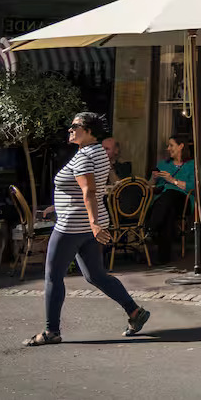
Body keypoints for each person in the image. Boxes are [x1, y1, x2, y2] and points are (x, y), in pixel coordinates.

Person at [23, 111, 150, 346]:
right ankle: (135, 312)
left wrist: (93, 224)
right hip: (90, 223)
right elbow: (88, 188)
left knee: (53, 276)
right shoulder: (98, 152)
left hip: (73, 225)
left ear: (89, 131)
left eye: (75, 126)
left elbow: (89, 191)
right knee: (96, 275)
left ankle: (52, 331)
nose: (70, 129)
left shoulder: (84, 157)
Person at [144, 135, 195, 264]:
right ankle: (163, 258)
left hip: (183, 201)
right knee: (168, 212)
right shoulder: (162, 164)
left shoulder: (192, 165)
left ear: (181, 146)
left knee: (170, 195)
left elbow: (193, 187)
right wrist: (154, 179)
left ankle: (150, 228)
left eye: (171, 145)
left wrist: (172, 180)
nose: (168, 148)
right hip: (164, 203)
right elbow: (149, 186)